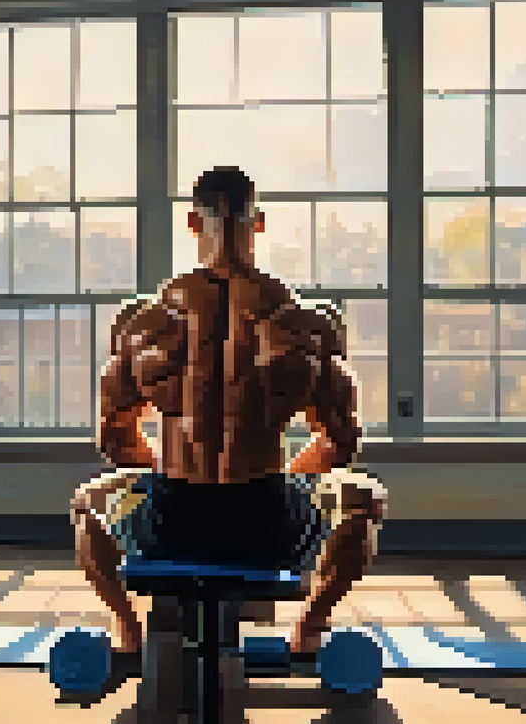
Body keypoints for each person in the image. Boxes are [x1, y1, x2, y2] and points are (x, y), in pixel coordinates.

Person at [69, 166, 388, 675]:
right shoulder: (303, 323)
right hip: (265, 520)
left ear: (194, 223)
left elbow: (115, 437)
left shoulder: (146, 323)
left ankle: (128, 632)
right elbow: (341, 442)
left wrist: (163, 475)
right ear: (257, 222)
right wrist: (293, 478)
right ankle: (308, 630)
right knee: (366, 500)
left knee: (87, 504)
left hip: (171, 521)